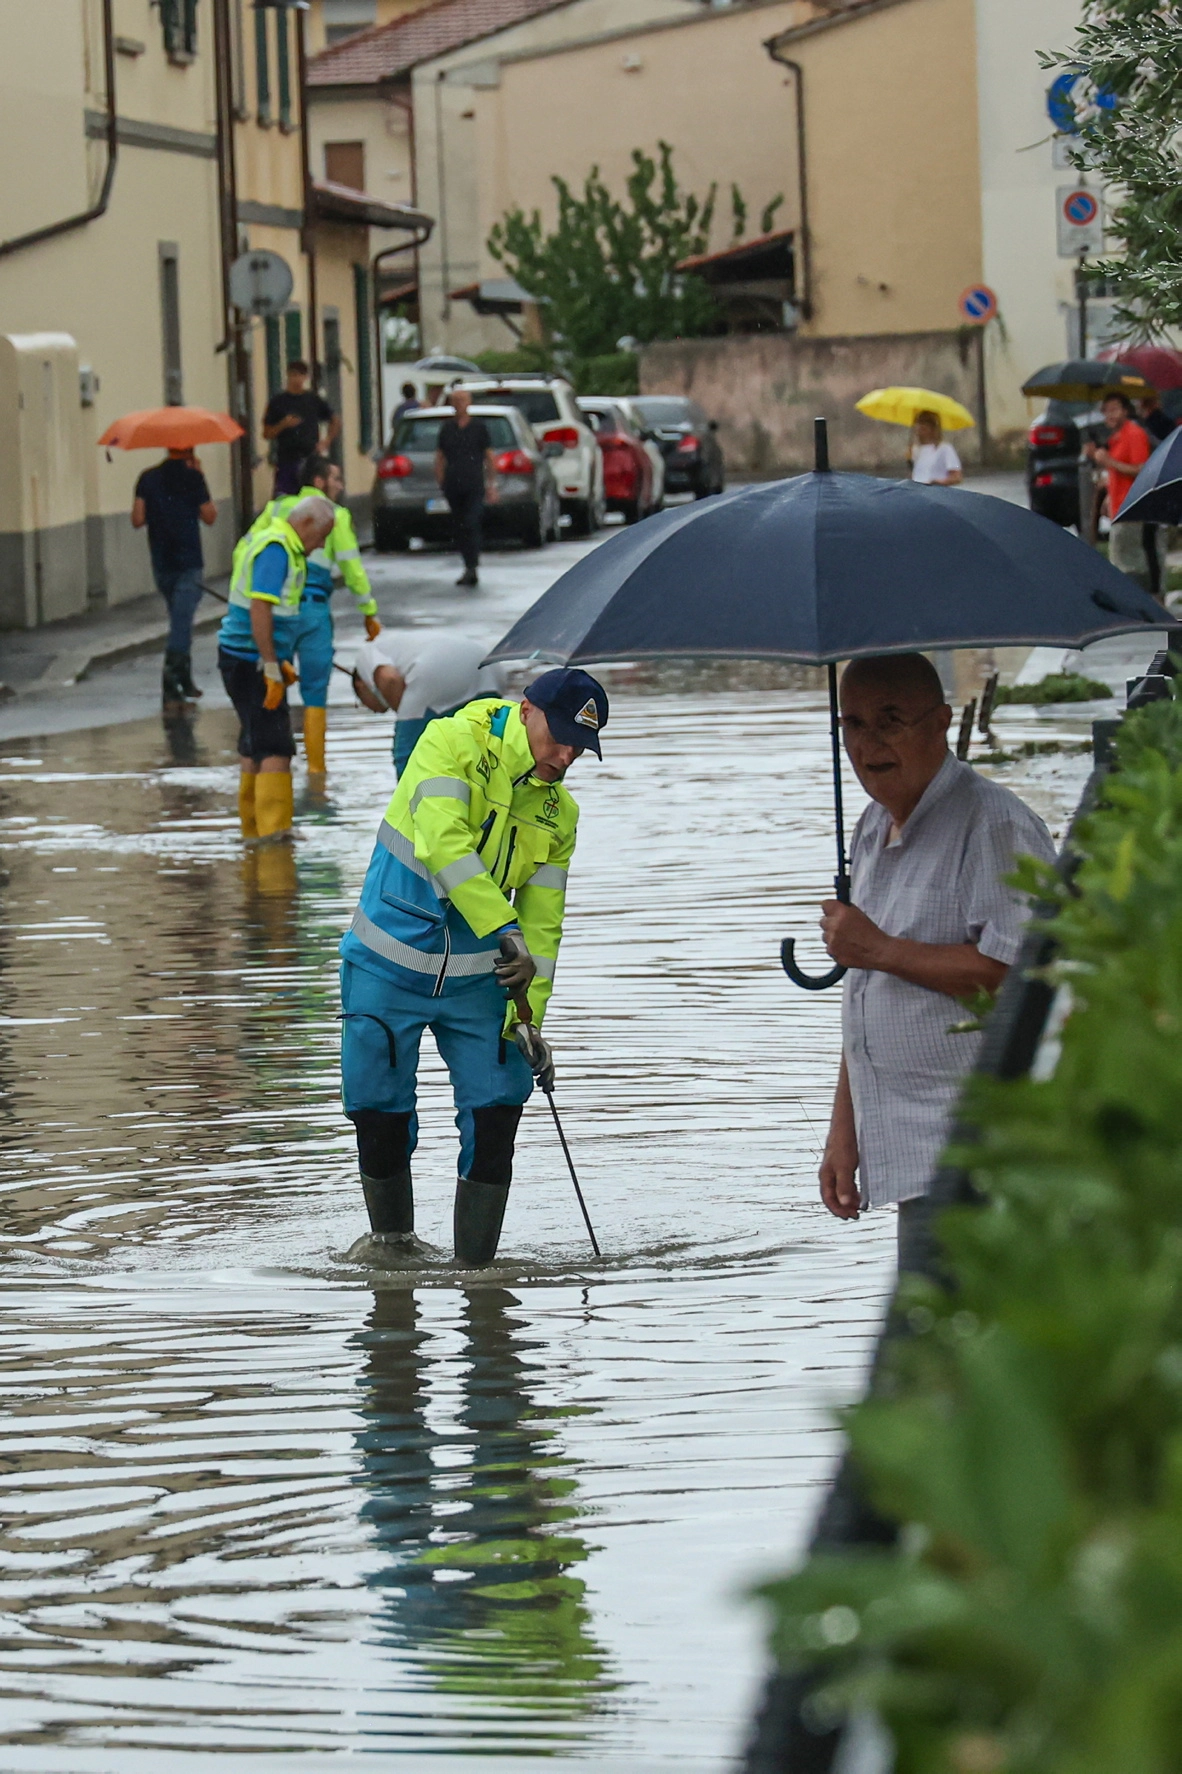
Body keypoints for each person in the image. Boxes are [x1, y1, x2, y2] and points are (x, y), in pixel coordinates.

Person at [338, 666, 609, 1267]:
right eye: (559, 735)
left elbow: (544, 926)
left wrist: (529, 1018)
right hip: (385, 968)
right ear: (527, 710)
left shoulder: (559, 816)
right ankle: (392, 1256)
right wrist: (502, 927)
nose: (564, 756)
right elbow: (442, 843)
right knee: (378, 1110)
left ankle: (478, 1281)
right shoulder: (449, 743)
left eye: (579, 748)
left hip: (477, 987)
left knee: (499, 1112)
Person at [815, 653, 1055, 1273]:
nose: (869, 744)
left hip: (980, 1152)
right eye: (853, 724)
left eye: (890, 720)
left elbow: (1027, 981)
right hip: (906, 1146)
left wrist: (880, 949)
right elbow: (866, 993)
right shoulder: (872, 827)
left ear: (942, 721)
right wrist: (845, 1130)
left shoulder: (995, 825)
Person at [247, 454, 382, 775]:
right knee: (315, 689)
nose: (340, 485)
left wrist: (246, 596)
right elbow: (352, 567)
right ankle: (316, 770)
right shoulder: (335, 516)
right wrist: (368, 611)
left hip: (275, 609)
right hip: (314, 609)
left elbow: (248, 550)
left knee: (271, 681)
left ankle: (266, 758)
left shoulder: (276, 509)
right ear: (319, 481)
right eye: (335, 478)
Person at [217, 495, 336, 843]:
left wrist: (277, 657)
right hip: (251, 659)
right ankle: (274, 833)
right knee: (275, 745)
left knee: (254, 740)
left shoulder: (276, 541)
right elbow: (260, 608)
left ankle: (253, 829)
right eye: (323, 534)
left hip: (245, 656)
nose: (324, 543)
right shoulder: (277, 549)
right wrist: (270, 664)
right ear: (307, 524)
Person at [131, 447, 218, 703]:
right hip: (189, 560)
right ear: (190, 450)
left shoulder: (147, 478)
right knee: (182, 621)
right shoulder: (193, 478)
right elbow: (210, 516)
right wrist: (199, 478)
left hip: (161, 560)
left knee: (180, 619)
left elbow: (137, 518)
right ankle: (170, 679)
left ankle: (185, 678)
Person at [351, 632, 506, 775]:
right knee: (485, 751)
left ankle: (411, 803)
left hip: (436, 671)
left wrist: (406, 721)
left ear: (360, 684)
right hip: (490, 667)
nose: (375, 710)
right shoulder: (402, 644)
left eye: (362, 701)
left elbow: (390, 679)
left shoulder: (367, 652)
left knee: (408, 755)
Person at [1086, 392, 1164, 594]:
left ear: (1125, 411)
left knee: (1128, 565)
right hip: (1118, 507)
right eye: (1106, 411)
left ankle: (1139, 604)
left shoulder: (1134, 434)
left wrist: (1108, 462)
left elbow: (1141, 469)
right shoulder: (1116, 438)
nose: (1109, 415)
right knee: (1119, 560)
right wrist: (1109, 490)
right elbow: (1119, 471)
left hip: (1132, 508)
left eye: (1114, 409)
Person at [434, 387, 498, 588]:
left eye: (462, 400)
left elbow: (489, 456)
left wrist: (491, 484)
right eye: (455, 400)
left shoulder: (479, 427)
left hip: (474, 484)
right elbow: (440, 457)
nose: (459, 404)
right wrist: (441, 480)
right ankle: (467, 565)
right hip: (453, 484)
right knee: (460, 525)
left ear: (469, 402)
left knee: (472, 522)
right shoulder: (447, 428)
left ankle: (473, 564)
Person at [262, 361, 340, 498]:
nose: (296, 379)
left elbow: (335, 420)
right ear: (288, 376)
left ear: (306, 377)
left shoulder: (313, 400)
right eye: (293, 375)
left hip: (311, 459)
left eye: (300, 375)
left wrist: (327, 441)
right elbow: (267, 433)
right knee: (285, 499)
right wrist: (283, 424)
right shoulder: (278, 402)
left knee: (311, 497)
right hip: (286, 459)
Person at [909, 411, 963, 486]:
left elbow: (957, 477)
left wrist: (940, 482)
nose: (921, 427)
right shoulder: (916, 449)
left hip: (936, 492)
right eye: (919, 423)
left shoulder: (945, 448)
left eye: (926, 423)